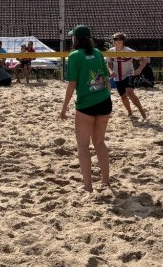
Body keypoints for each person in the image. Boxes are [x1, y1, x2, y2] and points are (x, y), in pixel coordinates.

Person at [60, 24, 111, 192]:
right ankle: (105, 181)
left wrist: (64, 108)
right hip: (104, 101)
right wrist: (105, 97)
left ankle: (88, 185)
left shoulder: (74, 56)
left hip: (86, 104)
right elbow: (106, 79)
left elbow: (72, 84)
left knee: (83, 145)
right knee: (99, 142)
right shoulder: (98, 53)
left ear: (75, 39)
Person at [109, 32, 147, 120]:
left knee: (130, 92)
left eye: (120, 39)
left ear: (123, 41)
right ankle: (130, 112)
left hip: (129, 74)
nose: (117, 41)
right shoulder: (111, 51)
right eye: (115, 39)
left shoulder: (129, 51)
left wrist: (139, 69)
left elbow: (144, 59)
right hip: (117, 77)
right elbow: (109, 63)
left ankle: (142, 111)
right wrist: (110, 71)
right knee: (123, 97)